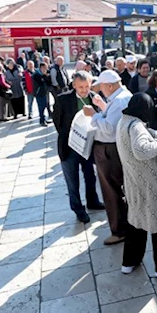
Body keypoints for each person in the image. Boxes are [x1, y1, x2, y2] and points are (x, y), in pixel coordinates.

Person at [117, 93, 157, 277]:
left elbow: (146, 132)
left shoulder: (125, 121)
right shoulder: (135, 125)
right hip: (150, 185)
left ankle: (129, 262)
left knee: (136, 224)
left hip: (134, 184)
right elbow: (142, 150)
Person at [83, 70, 132, 245]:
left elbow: (110, 128)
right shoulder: (122, 96)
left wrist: (93, 115)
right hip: (113, 149)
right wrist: (103, 107)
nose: (101, 90)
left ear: (109, 86)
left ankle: (119, 230)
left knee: (111, 191)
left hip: (109, 150)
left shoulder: (119, 100)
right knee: (117, 189)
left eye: (102, 87)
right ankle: (123, 226)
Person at [54, 71, 107, 224]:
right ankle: (78, 209)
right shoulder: (63, 99)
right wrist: (71, 137)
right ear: (74, 85)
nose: (84, 90)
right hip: (69, 147)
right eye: (81, 87)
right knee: (72, 180)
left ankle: (93, 201)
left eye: (87, 86)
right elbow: (58, 121)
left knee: (90, 175)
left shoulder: (94, 99)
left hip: (88, 146)